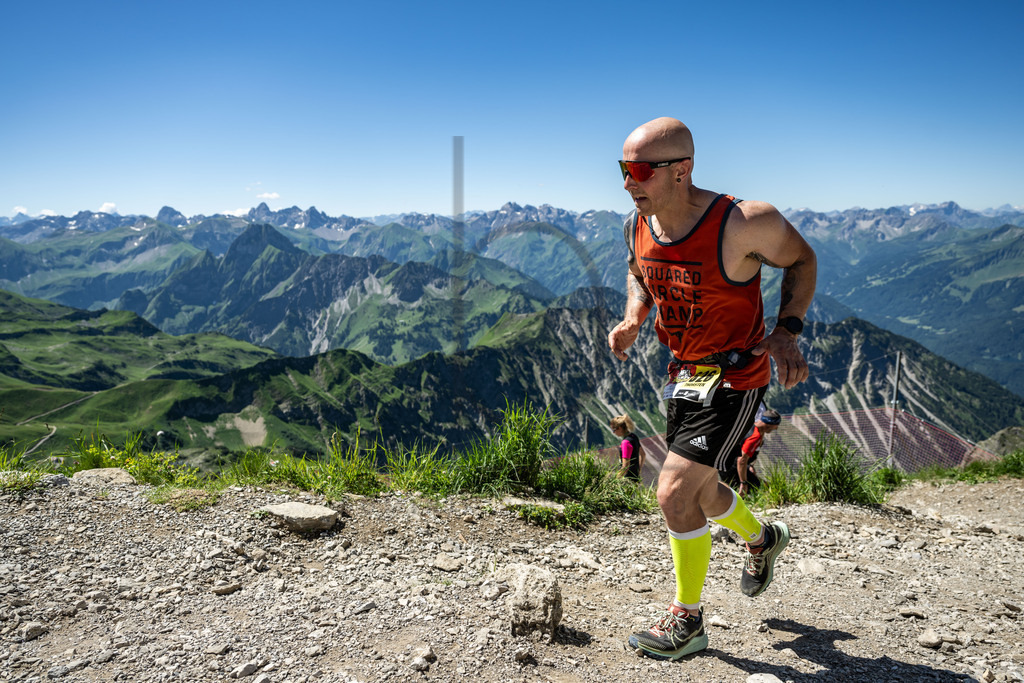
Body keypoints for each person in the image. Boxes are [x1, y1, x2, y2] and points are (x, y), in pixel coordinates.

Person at [607, 117, 817, 660]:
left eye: (639, 171)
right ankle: (762, 538)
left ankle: (688, 622)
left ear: (682, 170)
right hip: (686, 375)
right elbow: (638, 270)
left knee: (674, 492)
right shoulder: (640, 222)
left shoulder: (744, 222)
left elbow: (802, 259)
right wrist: (634, 317)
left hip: (736, 376)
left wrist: (787, 333)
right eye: (622, 169)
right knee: (701, 494)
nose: (628, 182)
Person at [722, 407, 782, 497]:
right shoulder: (754, 437)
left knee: (758, 485)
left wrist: (750, 466)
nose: (776, 429)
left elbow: (750, 453)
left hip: (732, 464)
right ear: (768, 425)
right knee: (749, 489)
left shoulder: (754, 428)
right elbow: (741, 460)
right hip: (730, 466)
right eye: (775, 427)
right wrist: (743, 482)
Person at [609, 415, 646, 482]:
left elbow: (625, 466)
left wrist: (614, 480)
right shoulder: (634, 437)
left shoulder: (625, 443)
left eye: (614, 430)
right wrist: (638, 470)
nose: (613, 433)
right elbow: (643, 454)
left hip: (627, 480)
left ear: (620, 428)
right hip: (635, 478)